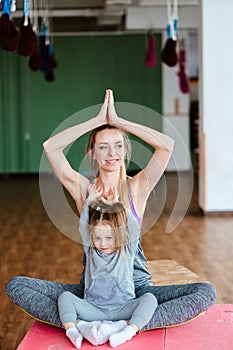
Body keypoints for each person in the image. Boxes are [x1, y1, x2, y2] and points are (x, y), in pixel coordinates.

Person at [6, 89, 216, 332]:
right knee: (17, 285)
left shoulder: (137, 187)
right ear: (92, 154)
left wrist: (117, 121)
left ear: (125, 151)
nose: (112, 154)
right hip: (92, 292)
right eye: (103, 147)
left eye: (118, 146)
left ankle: (130, 323)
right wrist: (97, 121)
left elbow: (166, 146)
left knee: (205, 292)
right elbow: (50, 147)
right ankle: (99, 318)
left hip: (137, 290)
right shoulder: (84, 189)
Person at [58, 183, 157, 348]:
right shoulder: (91, 251)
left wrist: (118, 203)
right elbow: (83, 226)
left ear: (118, 235)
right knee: (65, 297)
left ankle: (128, 330)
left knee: (150, 299)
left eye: (109, 238)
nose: (102, 243)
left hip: (122, 307)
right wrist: (90, 199)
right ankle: (73, 330)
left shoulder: (127, 249)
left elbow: (133, 228)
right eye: (97, 238)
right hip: (93, 308)